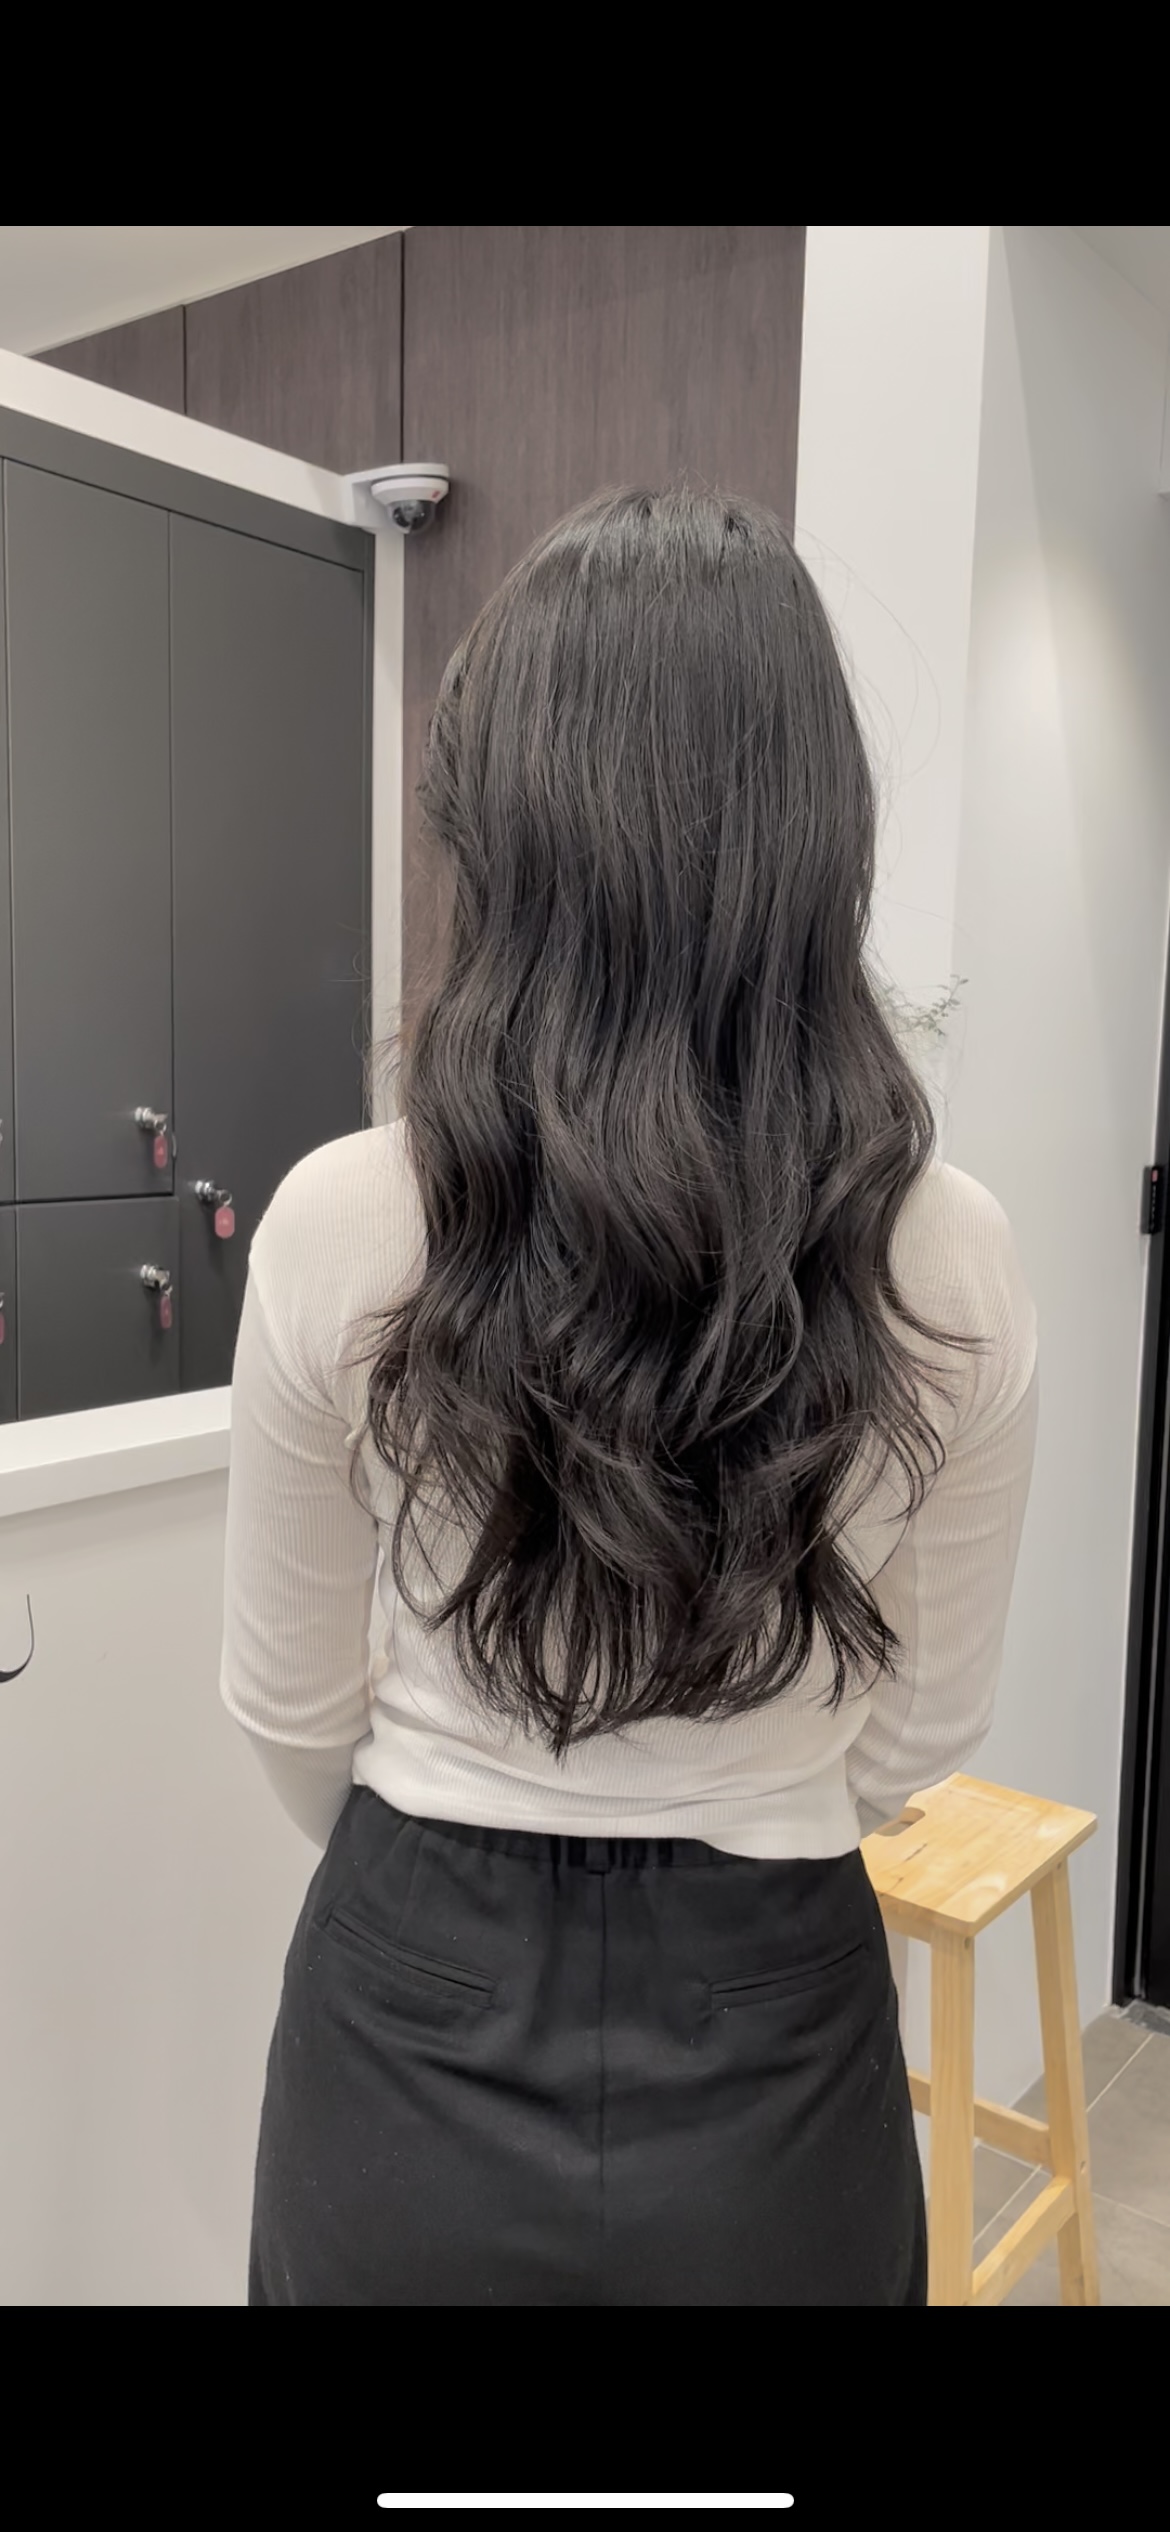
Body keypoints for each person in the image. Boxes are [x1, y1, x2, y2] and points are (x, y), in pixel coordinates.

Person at [221, 486, 1038, 2308]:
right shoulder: (951, 1250)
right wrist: (743, 1784)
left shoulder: (342, 1219)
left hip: (406, 2010)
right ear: (815, 833)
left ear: (496, 828)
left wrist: (464, 1839)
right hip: (778, 2022)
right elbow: (920, 1729)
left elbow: (288, 1705)